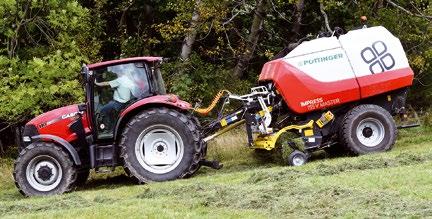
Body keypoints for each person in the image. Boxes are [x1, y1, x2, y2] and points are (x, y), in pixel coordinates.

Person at [95, 66, 136, 132]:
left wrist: (97, 83)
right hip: (125, 103)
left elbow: (106, 83)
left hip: (118, 103)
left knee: (103, 110)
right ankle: (111, 126)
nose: (116, 74)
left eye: (117, 72)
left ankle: (106, 128)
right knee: (110, 111)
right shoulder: (128, 80)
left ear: (120, 73)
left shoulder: (120, 80)